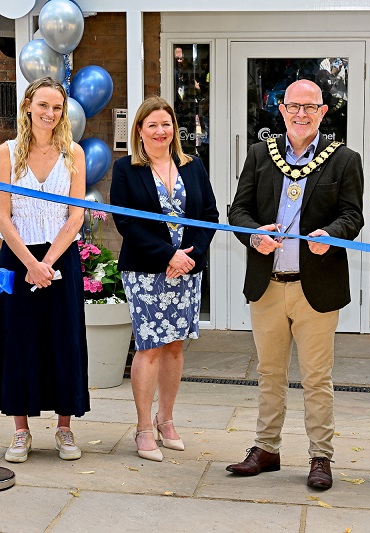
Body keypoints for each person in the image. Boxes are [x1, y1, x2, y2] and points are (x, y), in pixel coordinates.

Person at [226, 80, 364, 490]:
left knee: (316, 377)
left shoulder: (343, 159)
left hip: (315, 287)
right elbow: (238, 210)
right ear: (281, 110)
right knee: (269, 372)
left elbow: (353, 215)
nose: (301, 114)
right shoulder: (259, 154)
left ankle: (320, 456)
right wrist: (253, 234)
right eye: (293, 107)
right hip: (268, 284)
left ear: (323, 112)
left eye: (310, 107)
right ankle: (266, 449)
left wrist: (331, 234)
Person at [110, 96, 218, 462]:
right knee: (150, 346)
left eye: (166, 124)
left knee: (175, 345)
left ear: (175, 130)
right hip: (145, 270)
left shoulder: (193, 166)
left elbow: (209, 214)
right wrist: (166, 255)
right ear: (139, 130)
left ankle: (166, 419)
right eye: (152, 124)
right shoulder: (126, 169)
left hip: (186, 270)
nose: (160, 131)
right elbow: (126, 222)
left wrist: (189, 256)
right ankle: (143, 428)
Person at [0, 77, 89, 463]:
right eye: (43, 105)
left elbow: (76, 214)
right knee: (19, 340)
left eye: (57, 107)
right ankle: (21, 432)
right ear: (28, 105)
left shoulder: (73, 153)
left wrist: (48, 263)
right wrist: (30, 264)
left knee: (64, 338)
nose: (50, 113)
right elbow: (2, 214)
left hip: (60, 257)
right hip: (18, 258)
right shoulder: (7, 152)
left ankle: (64, 428)